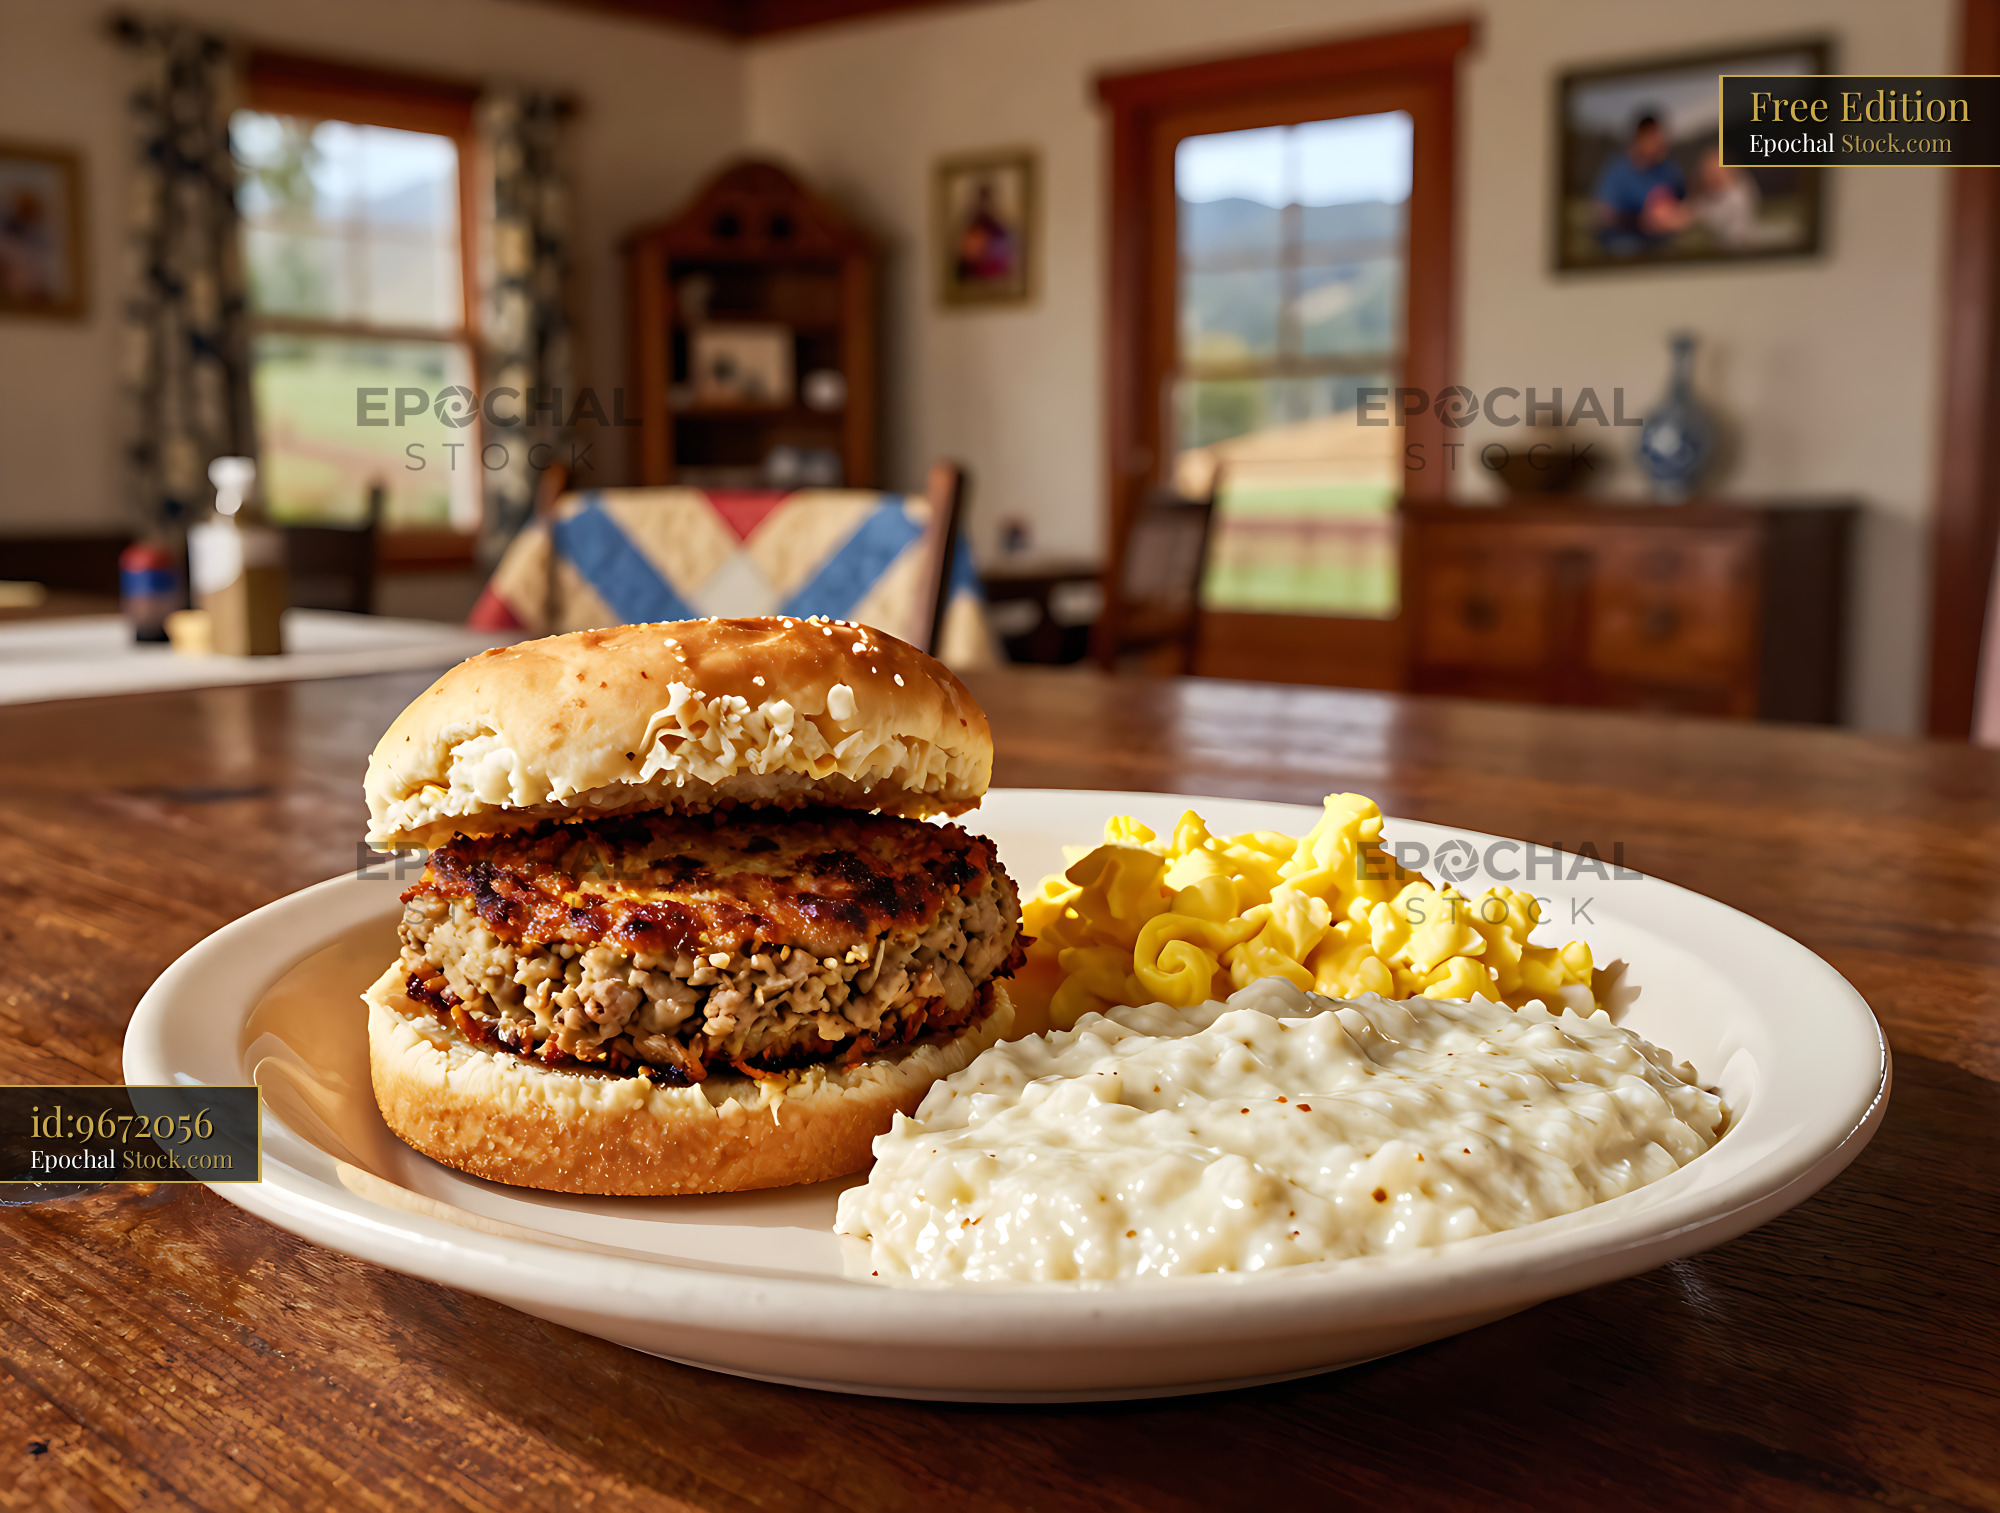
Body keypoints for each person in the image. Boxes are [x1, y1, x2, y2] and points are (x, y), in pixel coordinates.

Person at [1590, 112, 1692, 256]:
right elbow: (1602, 215)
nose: (1662, 144)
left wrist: (1680, 215)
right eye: (1655, 139)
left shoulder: (1669, 169)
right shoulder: (1618, 170)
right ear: (1640, 138)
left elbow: (1684, 202)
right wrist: (1641, 221)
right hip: (1626, 243)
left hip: (1662, 243)